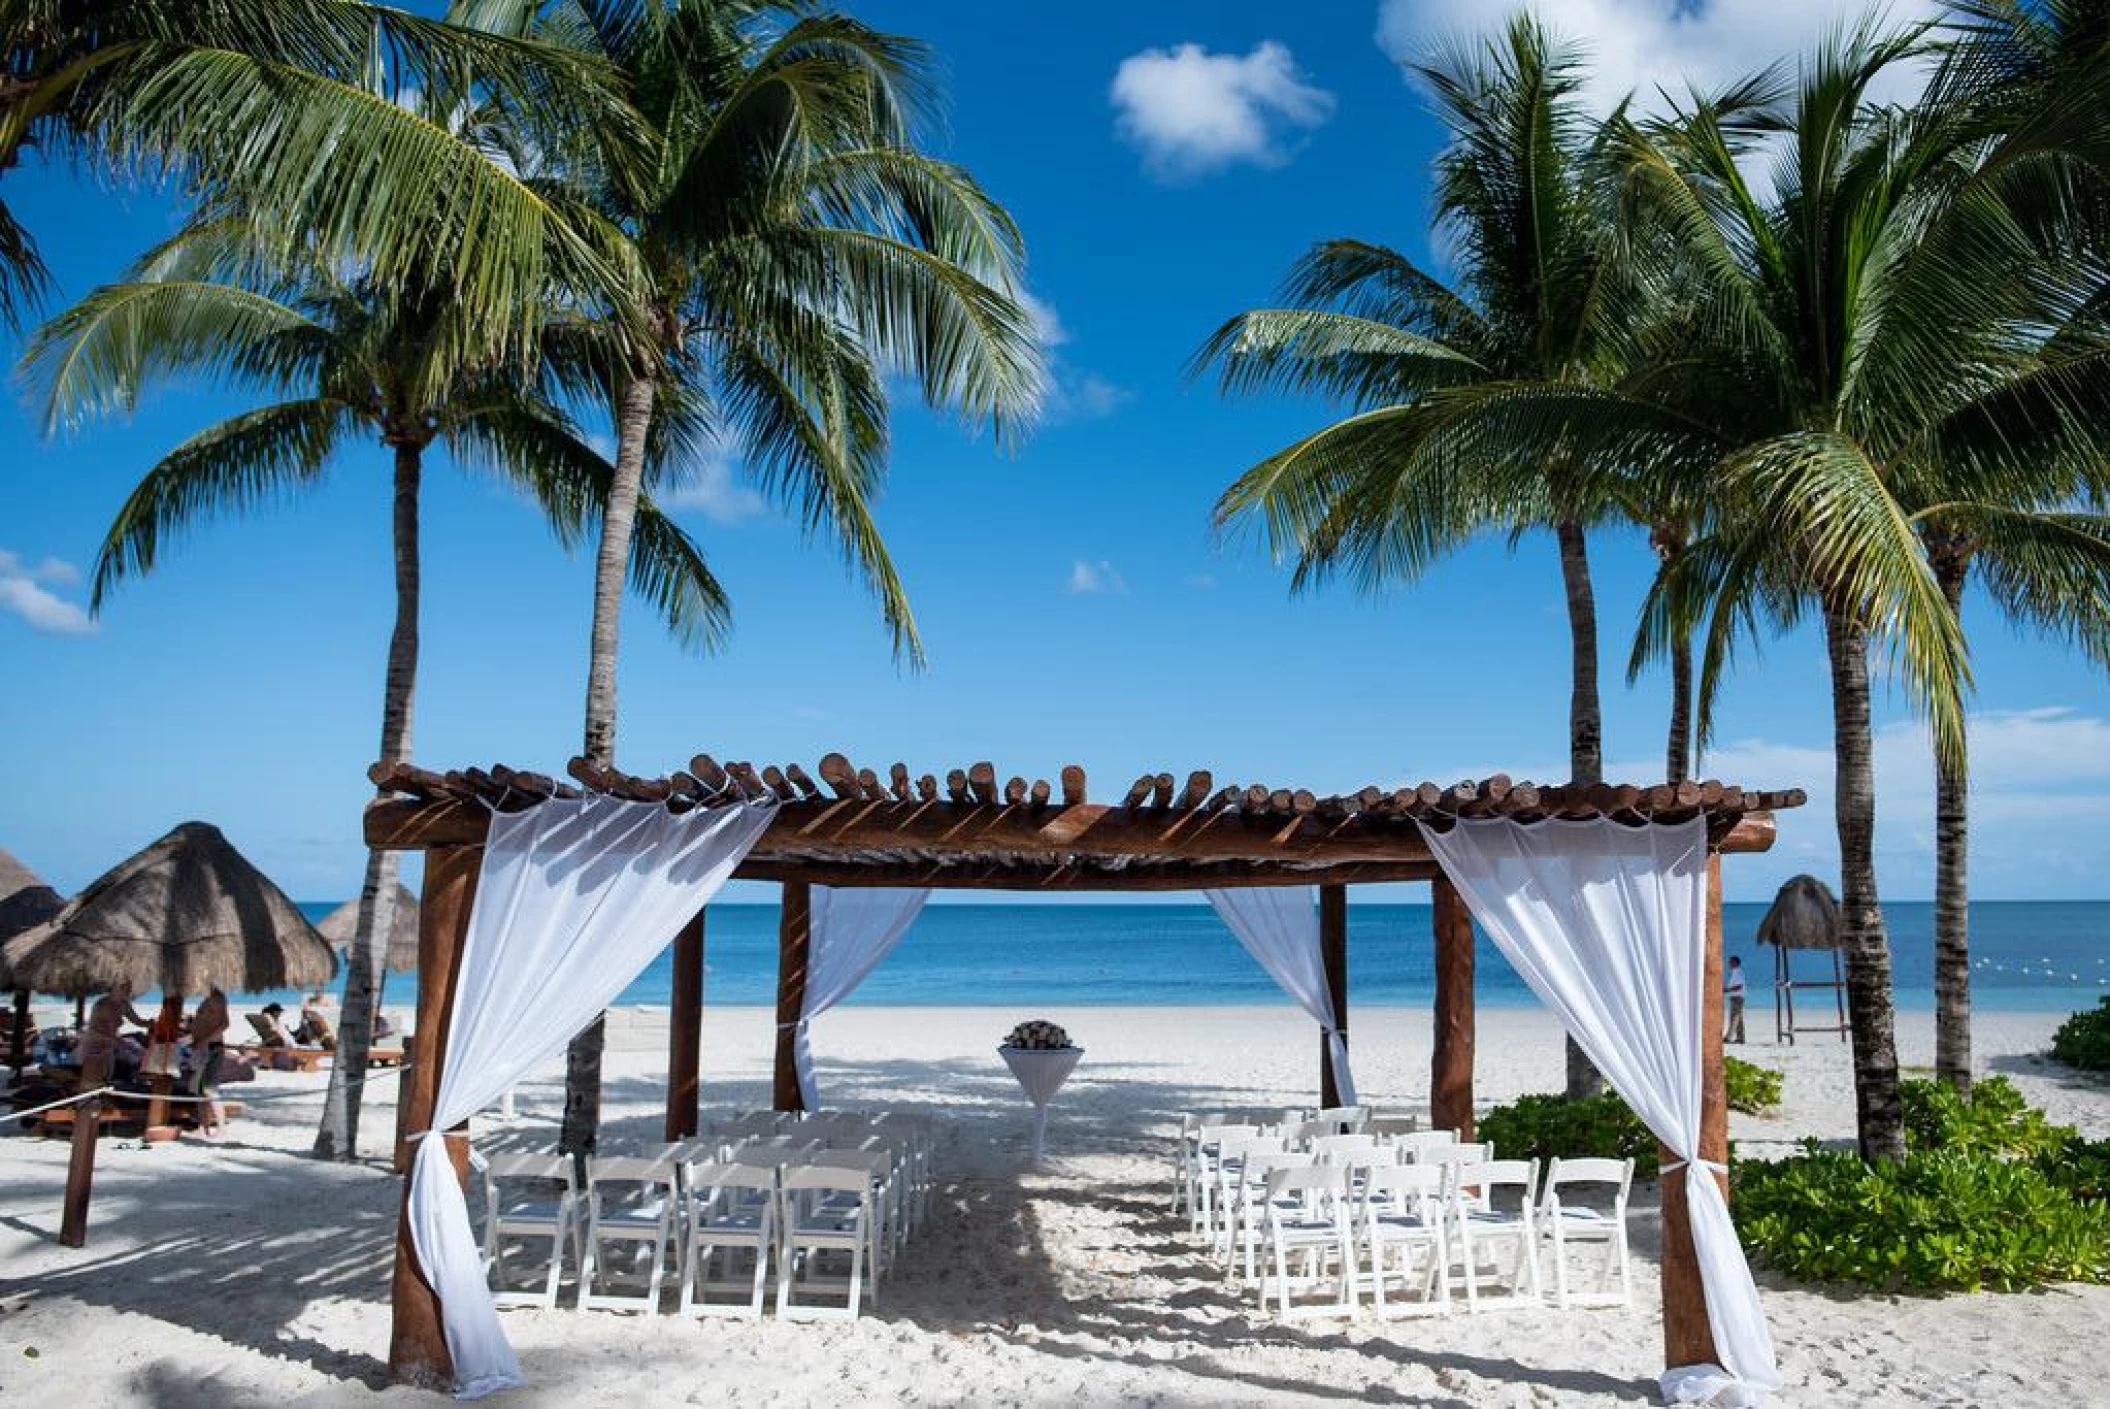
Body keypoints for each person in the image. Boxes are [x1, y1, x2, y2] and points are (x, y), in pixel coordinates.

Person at [187, 986, 230, 1137]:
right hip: (203, 1048)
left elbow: (224, 1024)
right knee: (200, 1091)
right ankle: (203, 1127)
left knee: (210, 1090)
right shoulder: (208, 999)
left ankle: (221, 1128)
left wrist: (204, 1041)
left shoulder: (218, 999)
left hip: (211, 1048)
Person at [1726, 955, 1748, 1045]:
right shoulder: (1737, 972)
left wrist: (1728, 990)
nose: (1729, 963)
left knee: (1734, 1017)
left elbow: (1739, 986)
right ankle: (1740, 1038)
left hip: (1737, 997)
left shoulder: (1737, 972)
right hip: (1738, 997)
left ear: (1735, 963)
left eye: (1730, 962)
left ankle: (1729, 1037)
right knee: (1739, 1018)